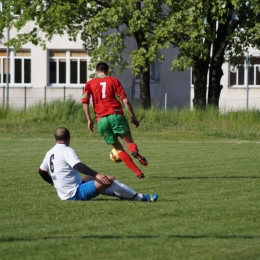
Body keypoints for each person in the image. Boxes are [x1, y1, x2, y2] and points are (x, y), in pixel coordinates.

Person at [38, 127, 158, 202]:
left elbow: (42, 171)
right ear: (69, 138)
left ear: (55, 140)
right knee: (109, 179)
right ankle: (140, 197)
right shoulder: (67, 150)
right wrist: (98, 174)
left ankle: (121, 195)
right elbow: (77, 166)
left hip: (64, 192)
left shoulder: (50, 152)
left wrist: (52, 181)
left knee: (90, 178)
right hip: (74, 194)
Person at [82, 62, 147, 179]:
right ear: (107, 71)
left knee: (118, 148)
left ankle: (139, 173)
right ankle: (134, 151)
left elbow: (85, 101)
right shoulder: (114, 81)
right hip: (116, 115)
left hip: (101, 119)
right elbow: (125, 101)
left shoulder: (89, 83)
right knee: (129, 143)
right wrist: (133, 117)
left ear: (96, 71)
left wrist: (89, 119)